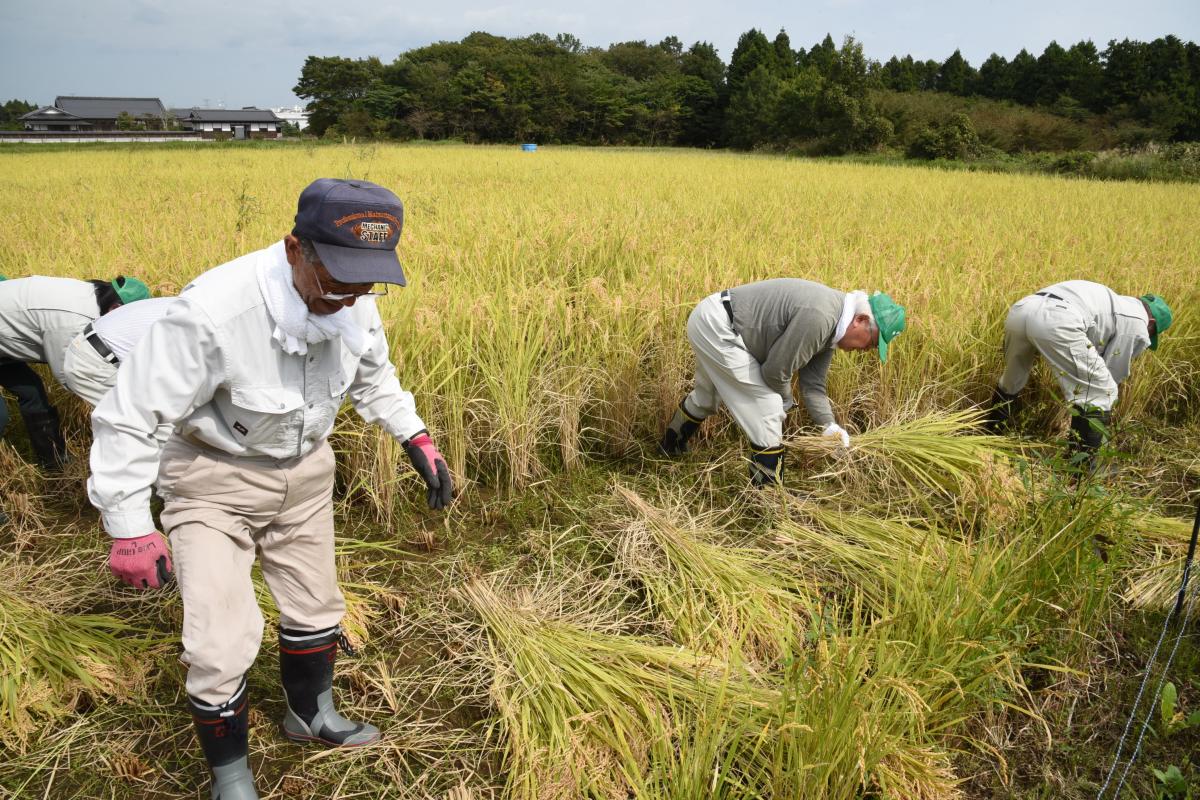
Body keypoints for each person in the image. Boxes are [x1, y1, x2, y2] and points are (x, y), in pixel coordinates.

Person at [86, 178, 454, 800]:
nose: (351, 296)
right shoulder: (213, 314)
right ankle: (231, 777)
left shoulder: (352, 297)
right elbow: (130, 415)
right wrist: (129, 527)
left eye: (365, 281)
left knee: (317, 605)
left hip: (306, 474)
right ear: (294, 250)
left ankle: (310, 715)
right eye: (337, 278)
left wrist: (414, 435)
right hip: (211, 479)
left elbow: (374, 376)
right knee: (221, 639)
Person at [659, 278, 906, 485]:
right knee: (768, 408)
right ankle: (767, 498)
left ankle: (668, 450)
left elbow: (814, 387)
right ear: (861, 320)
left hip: (715, 319)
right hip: (719, 326)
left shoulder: (833, 328)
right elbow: (775, 372)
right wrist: (786, 402)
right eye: (872, 343)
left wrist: (829, 426)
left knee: (707, 396)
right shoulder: (821, 318)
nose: (867, 350)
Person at [985, 280, 1172, 459]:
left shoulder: (1118, 303)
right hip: (1058, 319)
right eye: (1152, 334)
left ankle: (989, 439)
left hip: (1022, 310)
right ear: (1152, 322)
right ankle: (1080, 472)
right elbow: (1111, 374)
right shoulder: (1137, 323)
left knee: (1012, 379)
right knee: (1101, 392)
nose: (1147, 338)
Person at [0, 274, 150, 470]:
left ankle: (54, 465)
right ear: (117, 308)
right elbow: (70, 373)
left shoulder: (91, 301)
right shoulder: (73, 322)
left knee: (32, 393)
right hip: (6, 338)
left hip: (5, 342)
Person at [62, 296, 178, 407]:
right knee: (151, 421)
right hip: (94, 361)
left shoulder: (185, 306)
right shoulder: (186, 320)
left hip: (95, 348)